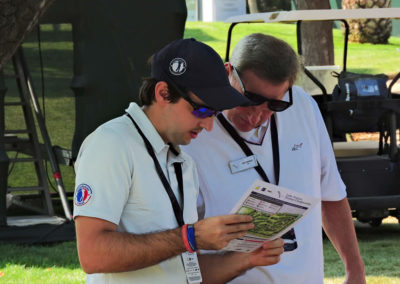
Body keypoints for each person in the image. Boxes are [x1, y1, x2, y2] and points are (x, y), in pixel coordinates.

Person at [73, 38, 284, 284]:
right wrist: (189, 237)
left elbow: (186, 271)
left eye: (214, 113)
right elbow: (92, 254)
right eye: (202, 111)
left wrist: (247, 259)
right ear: (163, 93)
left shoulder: (183, 162)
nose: (208, 125)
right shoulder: (112, 144)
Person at [183, 33, 366, 284]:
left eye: (273, 105)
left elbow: (331, 193)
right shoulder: (193, 131)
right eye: (250, 100)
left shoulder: (302, 106)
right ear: (228, 73)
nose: (256, 116)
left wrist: (355, 271)